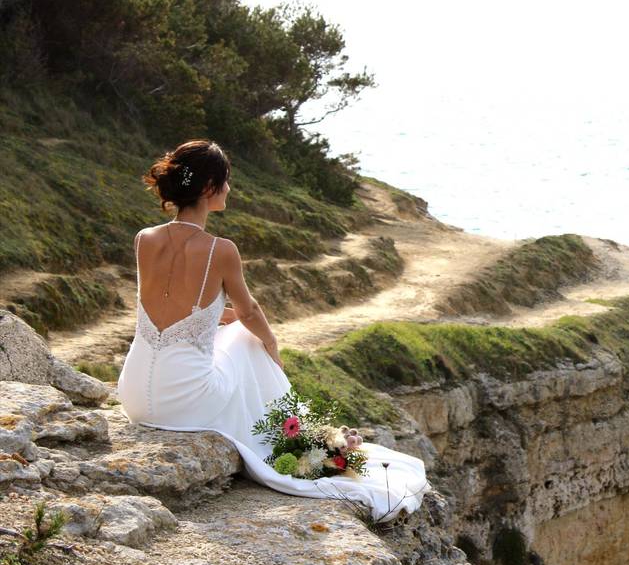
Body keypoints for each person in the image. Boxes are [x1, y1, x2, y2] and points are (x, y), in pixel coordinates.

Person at [116, 139, 431, 522]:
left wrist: (221, 316)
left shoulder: (144, 239)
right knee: (250, 340)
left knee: (233, 333)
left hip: (134, 394)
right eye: (226, 181)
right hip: (184, 404)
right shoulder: (221, 249)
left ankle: (304, 439)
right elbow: (250, 311)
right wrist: (271, 344)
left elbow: (169, 311)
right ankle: (300, 442)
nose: (230, 189)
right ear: (209, 188)